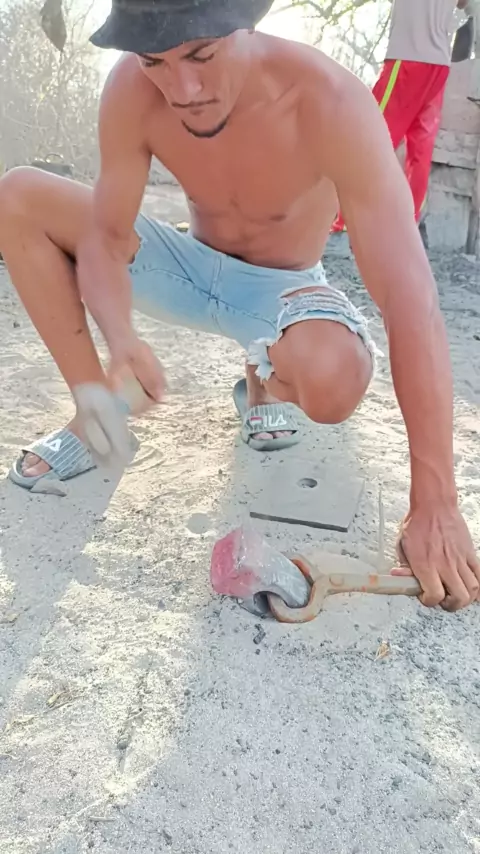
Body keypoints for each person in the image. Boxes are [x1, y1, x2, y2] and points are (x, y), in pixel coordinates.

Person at [0, 0, 478, 612]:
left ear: (247, 23)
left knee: (335, 379)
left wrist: (435, 500)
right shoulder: (130, 90)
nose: (183, 88)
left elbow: (410, 293)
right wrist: (120, 338)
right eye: (155, 61)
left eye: (201, 54)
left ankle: (263, 381)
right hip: (185, 266)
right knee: (17, 196)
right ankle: (97, 421)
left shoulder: (330, 100)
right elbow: (108, 237)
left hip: (280, 293)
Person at [331, 0, 470, 235]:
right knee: (420, 150)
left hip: (408, 58)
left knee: (372, 139)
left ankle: (345, 224)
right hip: (438, 66)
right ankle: (407, 229)